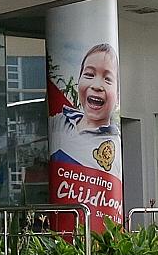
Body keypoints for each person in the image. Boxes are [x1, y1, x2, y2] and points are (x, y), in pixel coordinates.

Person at [51, 42, 121, 174]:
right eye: (89, 74)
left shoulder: (113, 142)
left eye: (107, 79)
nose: (96, 85)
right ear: (78, 81)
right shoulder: (59, 121)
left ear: (117, 96)